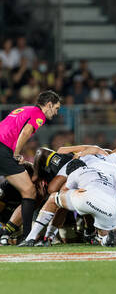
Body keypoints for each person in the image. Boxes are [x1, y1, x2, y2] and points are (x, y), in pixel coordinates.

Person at [0, 90, 61, 239]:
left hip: (3, 147)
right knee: (29, 191)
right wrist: (15, 153)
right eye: (56, 108)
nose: (56, 112)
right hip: (2, 149)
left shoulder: (24, 109)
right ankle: (27, 236)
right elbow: (26, 132)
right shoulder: (39, 114)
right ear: (49, 105)